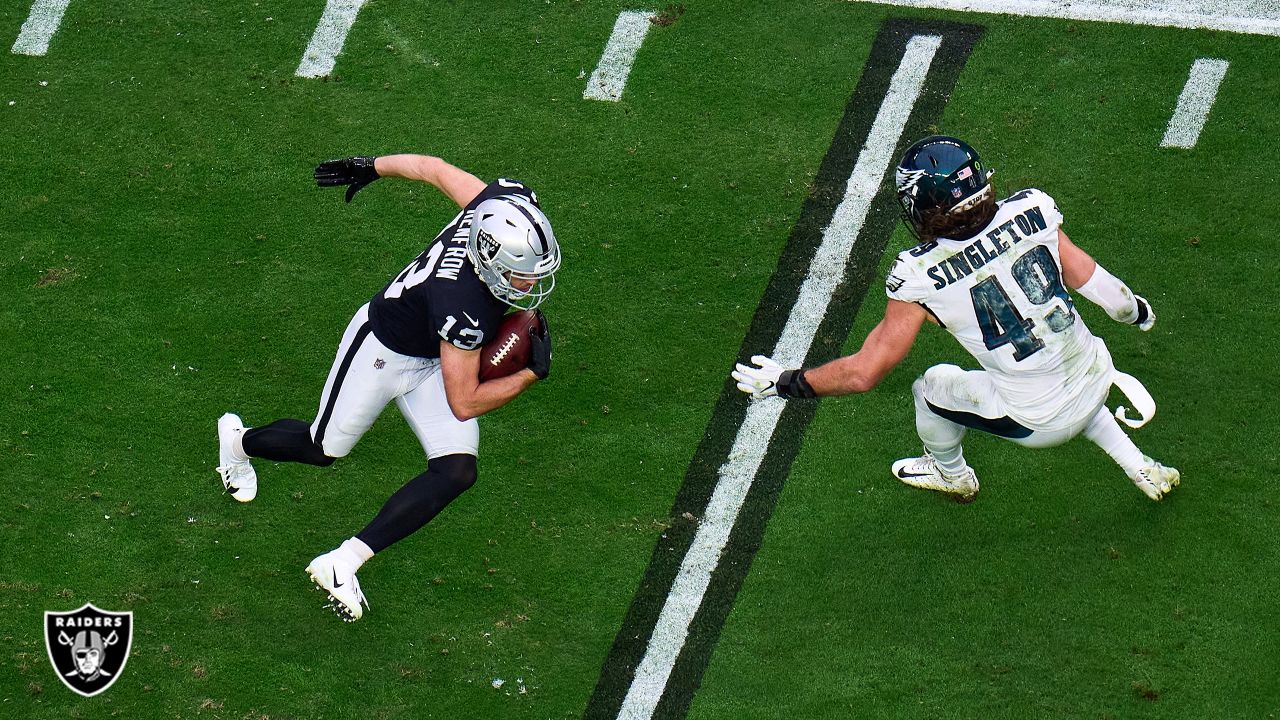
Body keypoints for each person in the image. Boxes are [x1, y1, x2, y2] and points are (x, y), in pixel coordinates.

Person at [732, 135, 1178, 502]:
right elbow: (1113, 299)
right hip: (1099, 373)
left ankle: (952, 475)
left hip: (1039, 422)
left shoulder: (920, 274)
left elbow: (865, 373)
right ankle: (1141, 466)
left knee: (930, 389)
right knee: (1059, 372)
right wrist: (1138, 313)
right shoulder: (1032, 211)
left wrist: (786, 382)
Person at [215, 154, 559, 620]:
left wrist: (371, 166)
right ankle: (238, 443)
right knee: (322, 449)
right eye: (522, 273)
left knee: (456, 471)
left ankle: (344, 562)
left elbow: (433, 168)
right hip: (383, 349)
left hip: (435, 352)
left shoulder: (501, 204)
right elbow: (464, 402)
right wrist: (529, 374)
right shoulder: (463, 303)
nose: (531, 281)